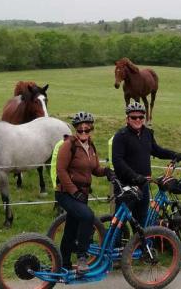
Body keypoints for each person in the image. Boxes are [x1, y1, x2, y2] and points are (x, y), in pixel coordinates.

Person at [55, 111, 115, 273]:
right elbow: (61, 171)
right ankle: (82, 256)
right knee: (88, 216)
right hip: (66, 194)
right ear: (75, 130)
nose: (83, 132)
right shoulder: (69, 145)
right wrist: (74, 192)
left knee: (71, 229)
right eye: (80, 130)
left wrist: (106, 172)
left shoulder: (91, 146)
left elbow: (94, 169)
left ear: (91, 130)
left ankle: (64, 264)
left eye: (86, 130)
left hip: (82, 194)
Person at [112, 102, 181, 226]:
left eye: (141, 117)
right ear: (127, 119)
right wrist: (134, 176)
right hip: (126, 186)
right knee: (120, 222)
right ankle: (115, 245)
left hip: (143, 184)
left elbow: (156, 150)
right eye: (134, 117)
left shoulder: (147, 133)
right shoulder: (121, 136)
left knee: (141, 221)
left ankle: (137, 245)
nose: (137, 120)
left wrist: (174, 154)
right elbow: (117, 161)